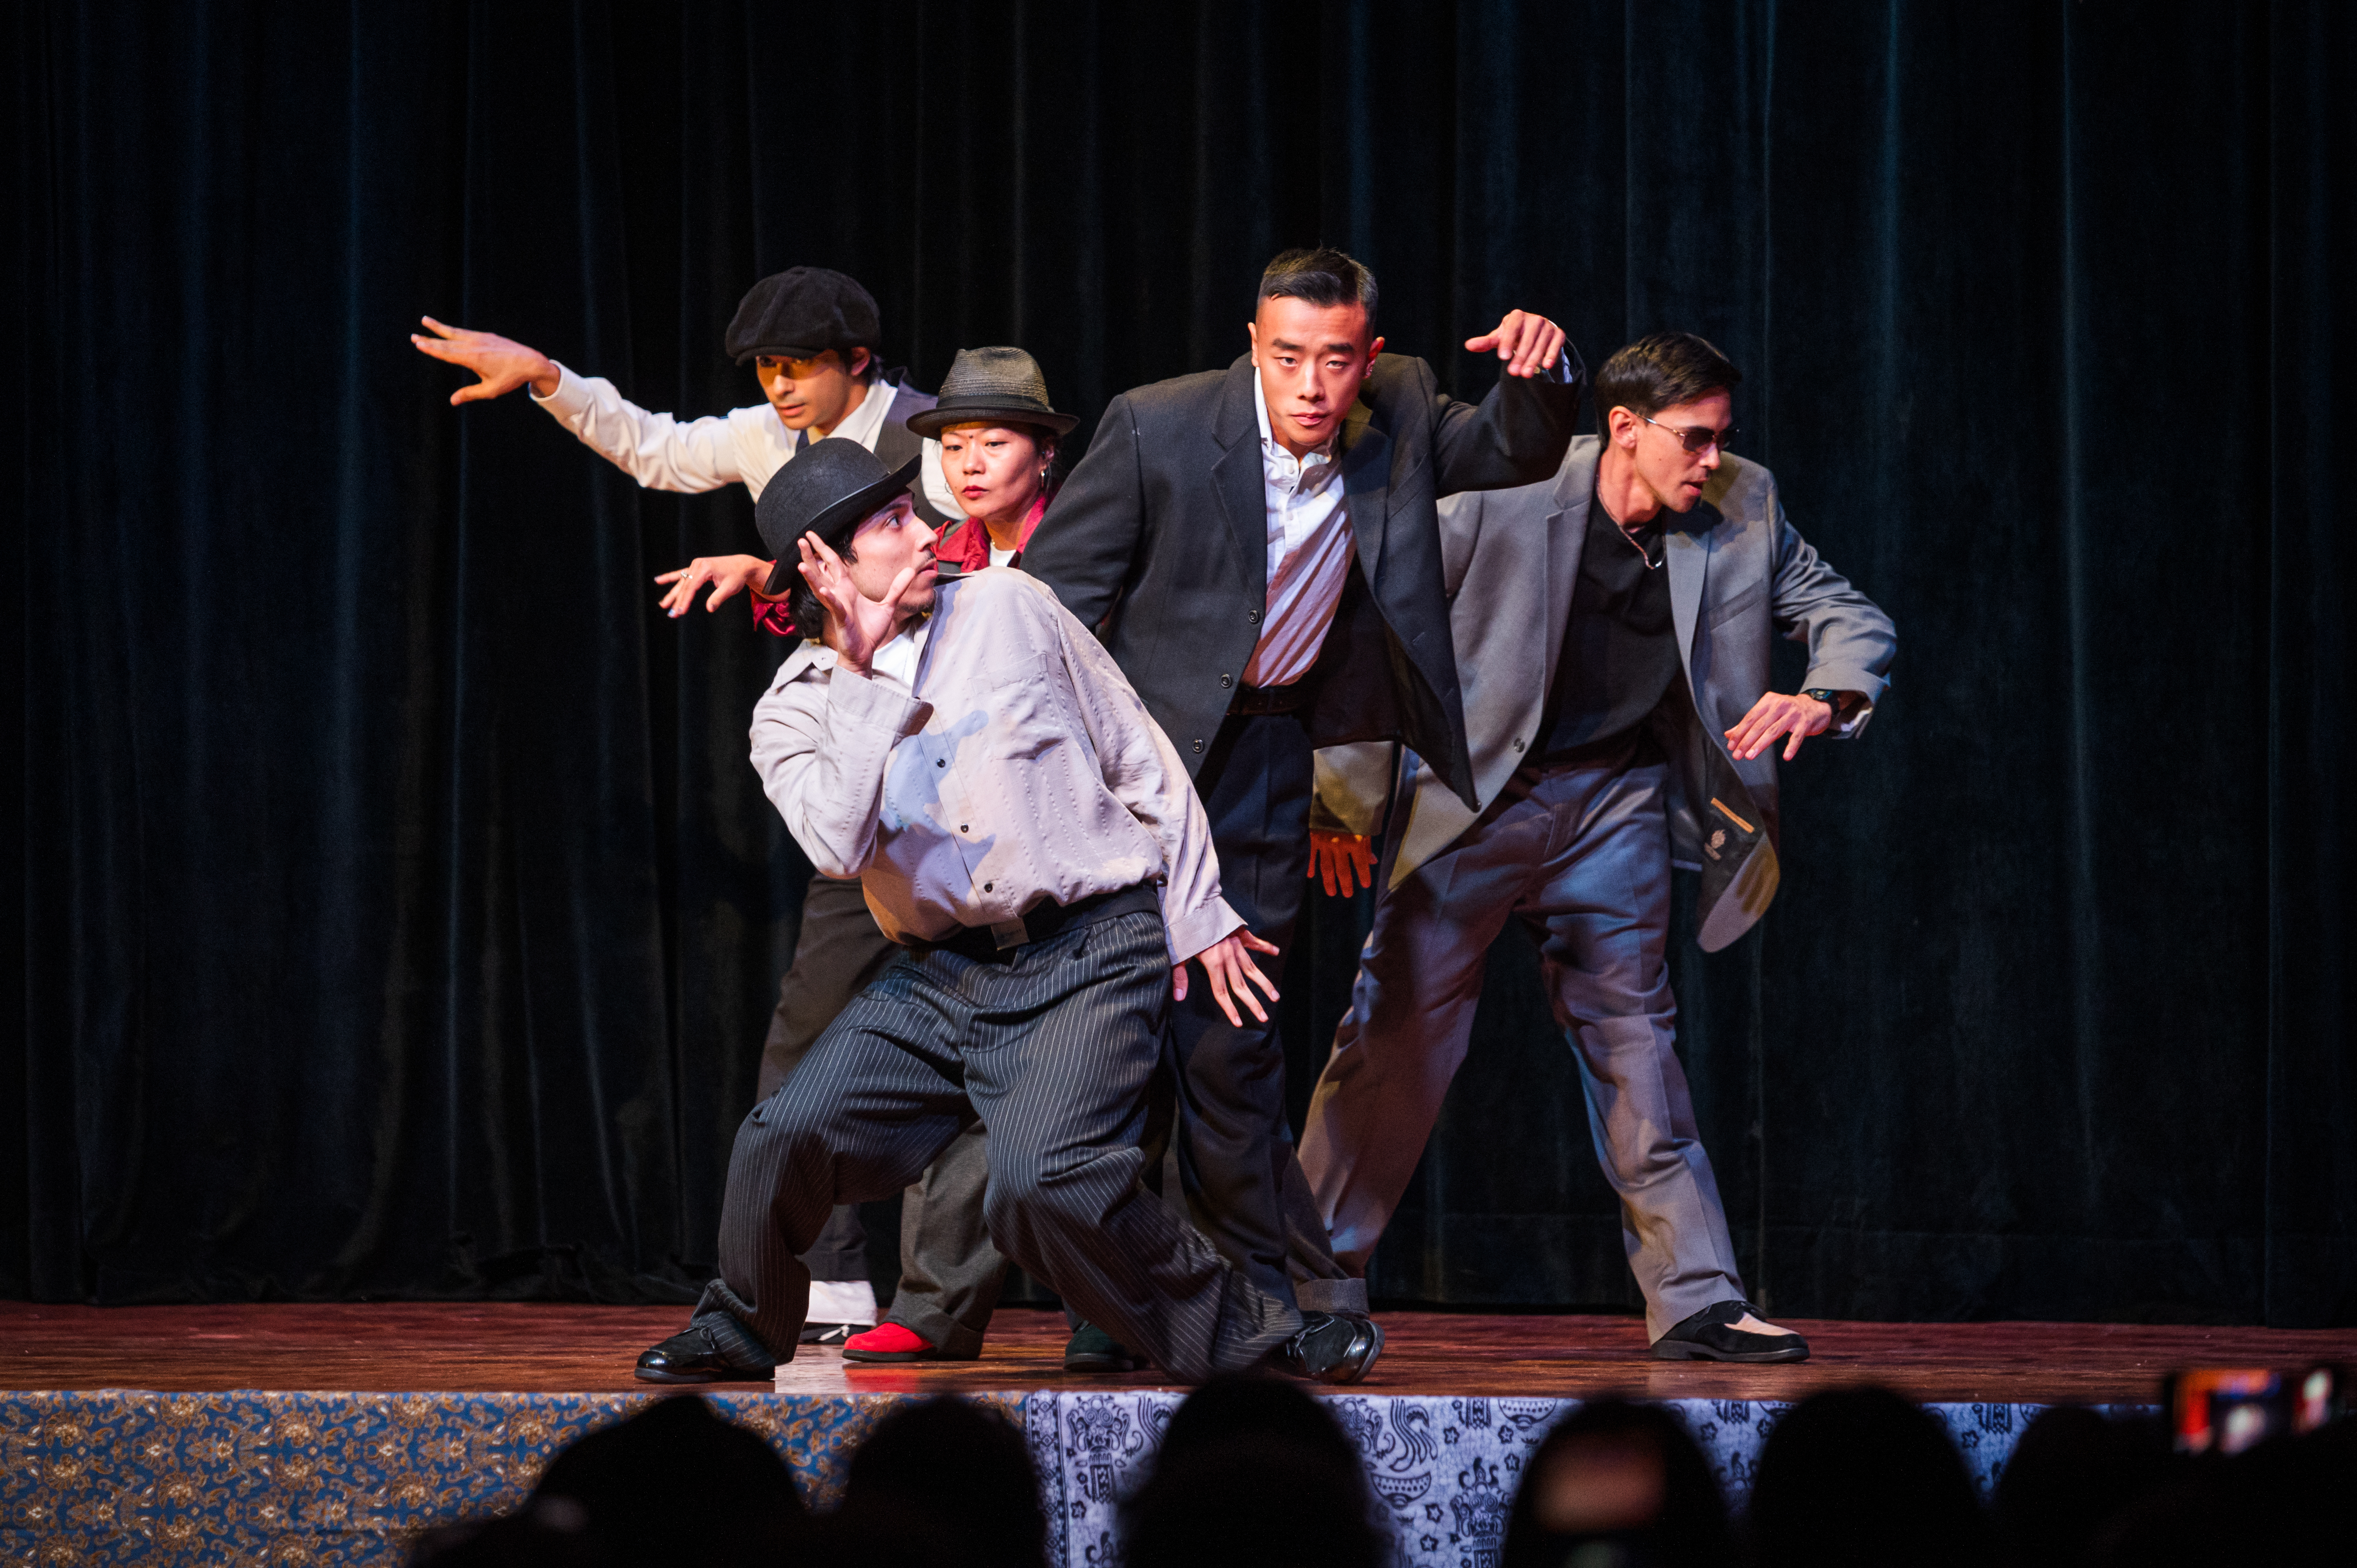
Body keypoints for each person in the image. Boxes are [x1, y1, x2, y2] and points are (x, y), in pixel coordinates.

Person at [632, 438, 1378, 1386]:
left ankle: (1259, 1336)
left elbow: (1135, 751)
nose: (929, 529)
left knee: (1043, 1181)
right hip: (939, 977)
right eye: (894, 524)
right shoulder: (798, 707)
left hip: (1088, 946)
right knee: (784, 1131)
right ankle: (742, 1324)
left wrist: (1196, 908)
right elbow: (836, 843)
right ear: (826, 566)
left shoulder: (1008, 605)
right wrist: (863, 677)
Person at [1020, 247, 1583, 1371]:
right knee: (1122, 1034)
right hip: (1136, 769)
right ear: (1253, 345)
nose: (1313, 386)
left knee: (1237, 1044)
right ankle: (1115, 1293)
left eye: (1337, 360)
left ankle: (1257, 1304)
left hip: (1272, 755)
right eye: (1288, 358)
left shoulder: (1405, 409)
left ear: (1370, 357)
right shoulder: (1157, 426)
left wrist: (1544, 372)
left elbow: (1515, 448)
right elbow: (1052, 615)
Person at [1296, 333, 1898, 1362]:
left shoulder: (1743, 503)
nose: (1713, 459)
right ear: (1624, 427)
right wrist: (1342, 799)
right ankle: (1309, 1285)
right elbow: (1372, 635)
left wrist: (1825, 692)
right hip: (1477, 798)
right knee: (1396, 1032)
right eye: (1695, 439)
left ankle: (1697, 1296)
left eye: (1722, 440)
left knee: (1636, 1037)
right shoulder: (1501, 491)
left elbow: (1845, 612)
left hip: (1615, 799)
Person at [412, 267, 955, 1342]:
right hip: (864, 775)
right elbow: (659, 449)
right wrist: (550, 378)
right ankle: (833, 1274)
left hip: (967, 755)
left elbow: (959, 568)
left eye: (798, 365)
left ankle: (1005, 1285)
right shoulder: (768, 437)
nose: (779, 385)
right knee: (813, 1023)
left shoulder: (940, 438)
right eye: (764, 368)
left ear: (859, 360)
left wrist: (765, 571)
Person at [663, 346, 1076, 1367]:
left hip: (1058, 896)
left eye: (996, 441)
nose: (962, 477)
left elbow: (1132, 751)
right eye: (955, 448)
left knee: (1054, 1152)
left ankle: (1141, 1317)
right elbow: (842, 833)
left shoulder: (1022, 582)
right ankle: (765, 1311)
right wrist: (853, 648)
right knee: (787, 1109)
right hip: (923, 901)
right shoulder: (811, 687)